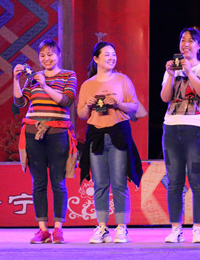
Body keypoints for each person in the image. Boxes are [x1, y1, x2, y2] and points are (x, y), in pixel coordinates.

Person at [77, 41, 143, 244]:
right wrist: (88, 106)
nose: (111, 58)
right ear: (96, 59)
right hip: (96, 136)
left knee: (119, 182)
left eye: (113, 54)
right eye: (106, 54)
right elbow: (81, 114)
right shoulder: (88, 85)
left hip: (118, 134)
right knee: (100, 183)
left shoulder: (123, 80)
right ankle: (102, 227)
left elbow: (134, 107)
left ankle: (122, 227)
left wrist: (118, 104)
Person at [13, 39, 78, 244]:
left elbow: (66, 100)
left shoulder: (68, 75)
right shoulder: (34, 78)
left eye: (50, 54)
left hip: (57, 133)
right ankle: (42, 229)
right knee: (38, 183)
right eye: (42, 55)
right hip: (33, 132)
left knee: (58, 182)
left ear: (58, 55)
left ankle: (58, 229)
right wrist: (15, 79)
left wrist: (44, 85)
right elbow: (20, 102)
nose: (46, 59)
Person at [160, 27, 200, 243]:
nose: (185, 44)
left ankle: (198, 228)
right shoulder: (172, 69)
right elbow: (165, 98)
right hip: (172, 127)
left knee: (197, 180)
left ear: (199, 46)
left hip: (197, 128)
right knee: (174, 181)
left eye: (191, 41)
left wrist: (190, 72)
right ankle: (175, 229)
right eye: (183, 40)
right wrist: (170, 75)